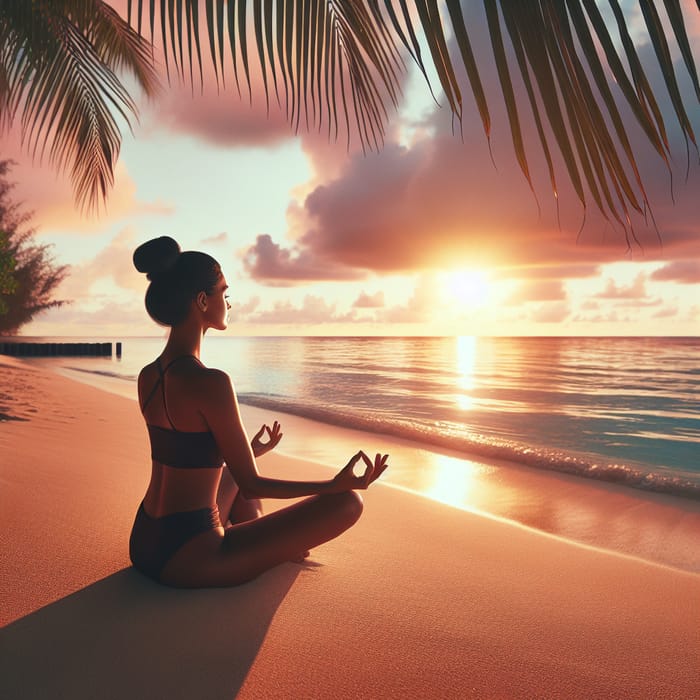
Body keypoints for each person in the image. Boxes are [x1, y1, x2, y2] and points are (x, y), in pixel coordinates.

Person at [129, 236, 388, 587]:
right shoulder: (212, 382)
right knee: (347, 503)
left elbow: (183, 456)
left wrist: (251, 451)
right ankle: (274, 545)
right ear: (203, 301)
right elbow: (252, 485)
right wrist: (333, 484)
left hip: (144, 543)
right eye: (225, 293)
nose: (229, 303)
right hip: (190, 558)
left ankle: (262, 537)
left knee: (236, 472)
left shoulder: (149, 375)